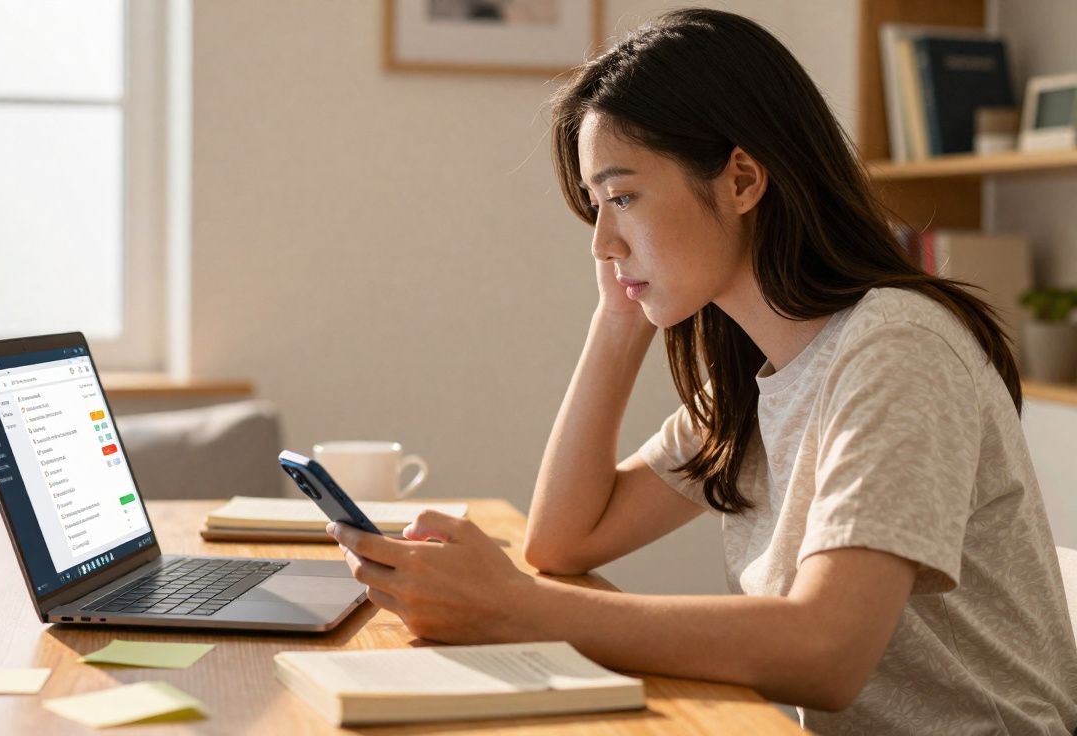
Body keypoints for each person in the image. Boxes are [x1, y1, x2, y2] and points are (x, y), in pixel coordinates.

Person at [327, 8, 1077, 735]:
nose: (602, 243)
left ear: (743, 180)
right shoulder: (760, 377)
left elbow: (827, 652)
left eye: (622, 197)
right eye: (595, 207)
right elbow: (563, 539)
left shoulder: (897, 348)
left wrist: (514, 608)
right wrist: (618, 320)